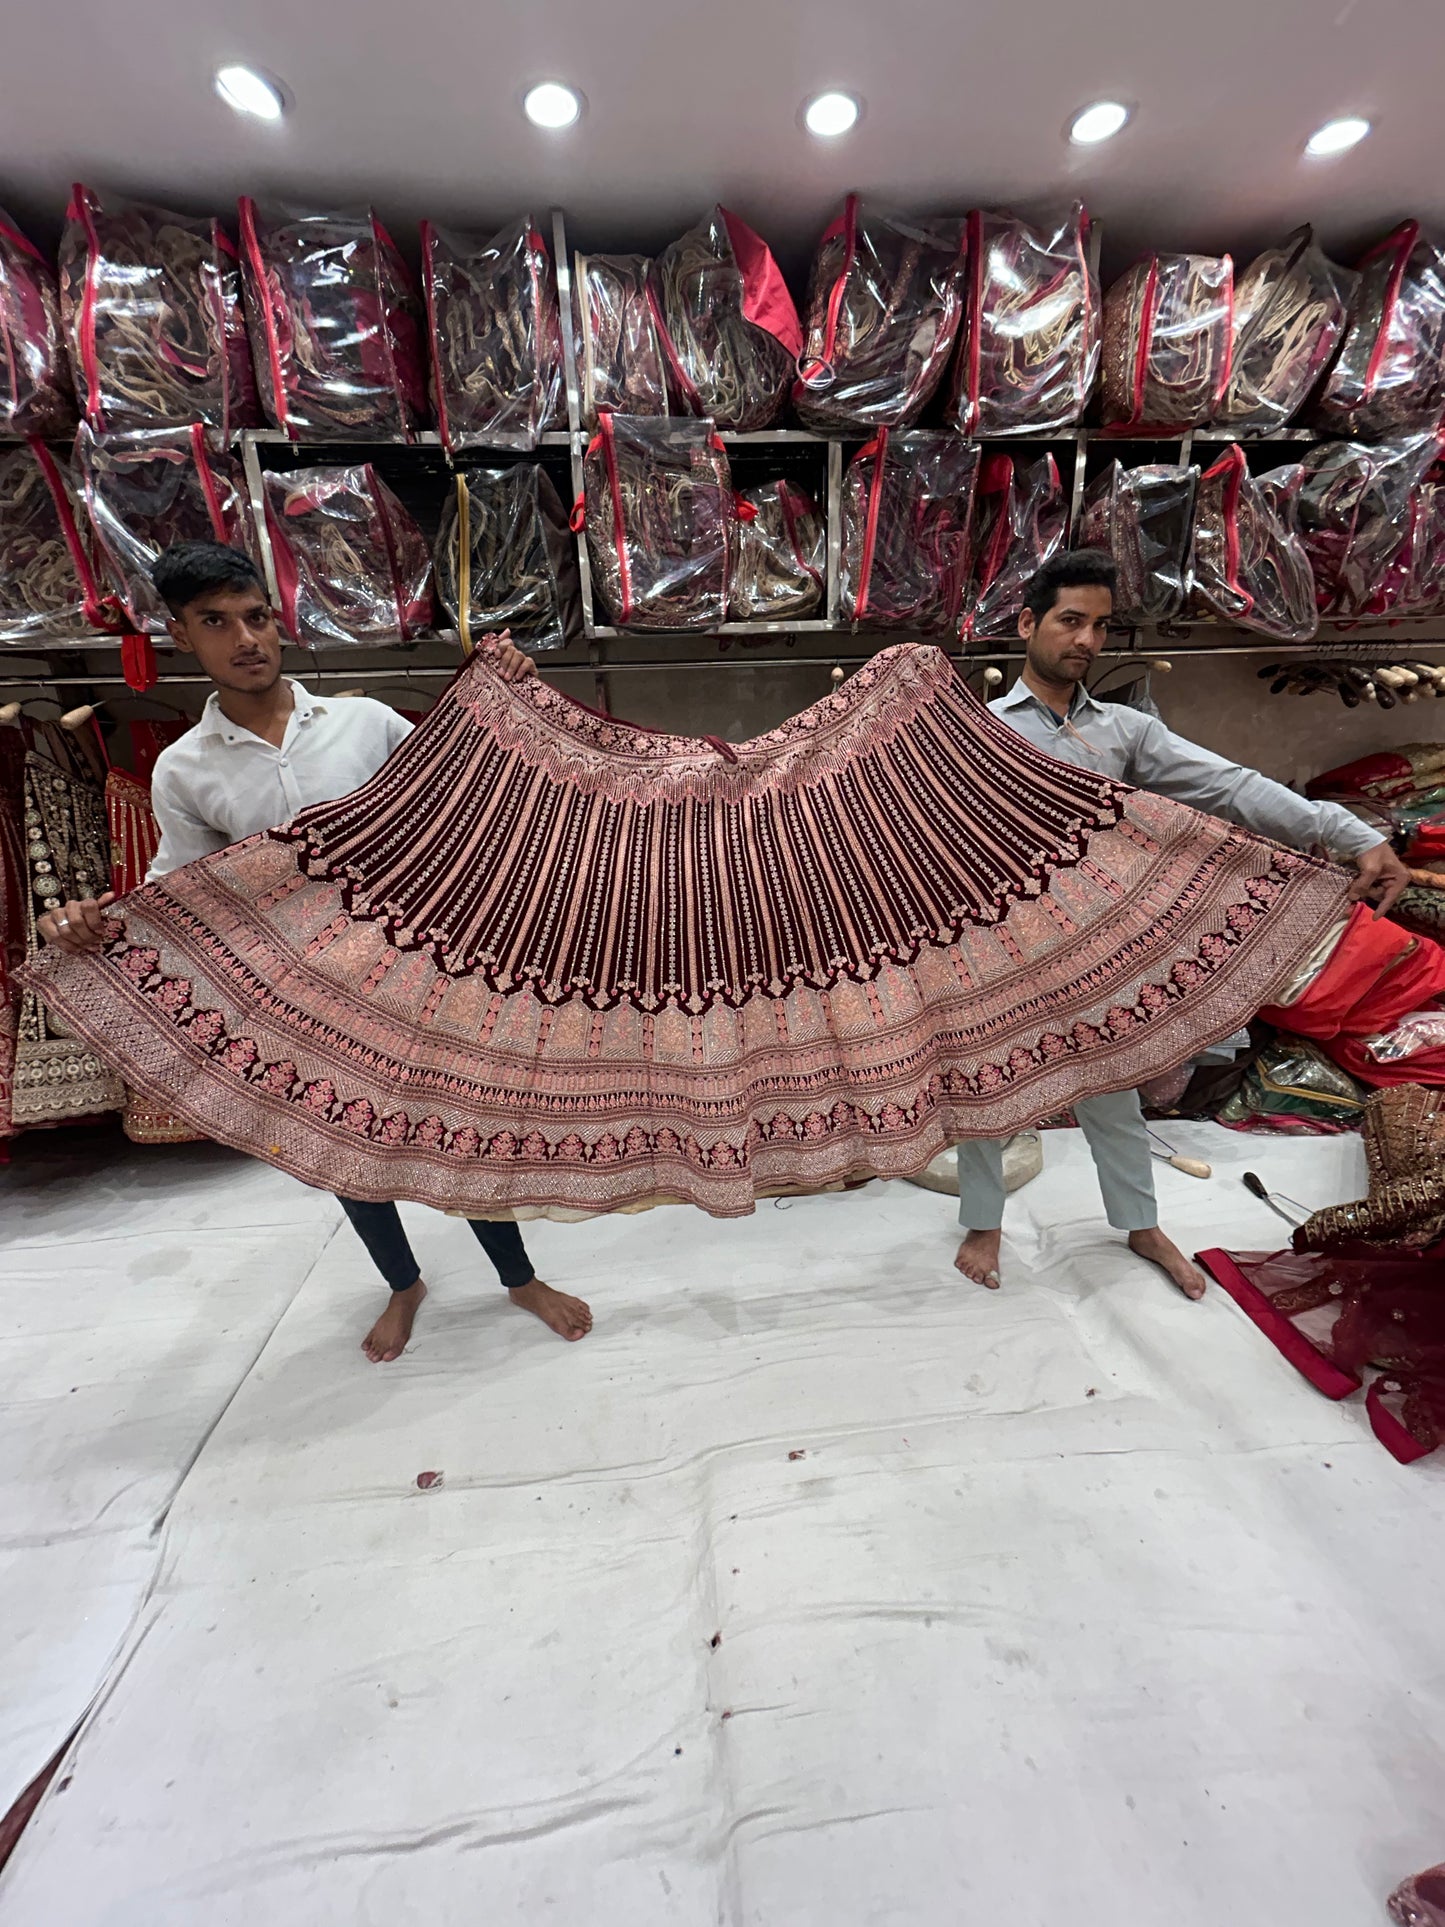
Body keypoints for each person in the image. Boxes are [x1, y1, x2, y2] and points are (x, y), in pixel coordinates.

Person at [38, 540, 593, 1362]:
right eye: (215, 622)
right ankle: (404, 1285)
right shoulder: (186, 769)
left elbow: (459, 808)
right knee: (339, 1142)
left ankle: (517, 1278)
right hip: (298, 995)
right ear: (182, 637)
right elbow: (176, 883)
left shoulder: (365, 723)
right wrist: (93, 921)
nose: (245, 638)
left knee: (460, 1128)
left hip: (413, 973)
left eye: (256, 616)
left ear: (278, 620)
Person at [955, 548, 1409, 1302]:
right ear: (1028, 623)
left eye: (1100, 626)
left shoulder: (1125, 733)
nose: (1087, 641)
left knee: (1113, 1092)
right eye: (1070, 621)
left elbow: (1229, 785)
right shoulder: (980, 732)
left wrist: (1345, 830)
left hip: (1097, 943)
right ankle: (983, 1221)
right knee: (989, 1089)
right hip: (999, 942)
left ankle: (1138, 1223)